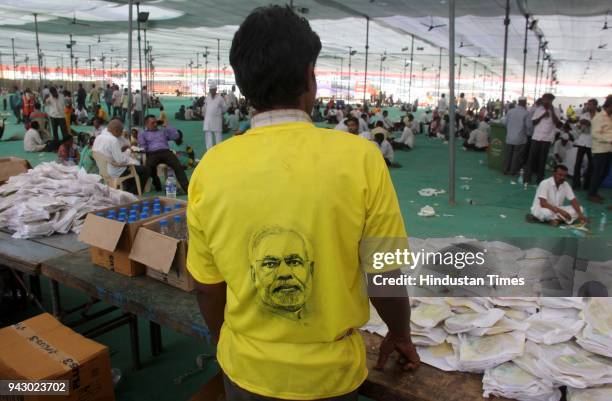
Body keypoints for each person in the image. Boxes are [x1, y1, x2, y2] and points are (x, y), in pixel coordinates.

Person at [187, 6, 418, 401]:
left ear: (243, 86)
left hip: (245, 370)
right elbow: (383, 277)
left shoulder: (210, 168)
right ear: (311, 77)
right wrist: (399, 333)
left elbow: (207, 288)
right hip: (330, 378)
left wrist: (226, 339)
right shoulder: (359, 159)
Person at [93, 119, 149, 195]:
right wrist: (128, 152)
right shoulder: (113, 140)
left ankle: (128, 189)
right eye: (121, 131)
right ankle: (133, 193)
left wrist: (121, 151)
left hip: (103, 170)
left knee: (134, 167)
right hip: (115, 171)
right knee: (144, 170)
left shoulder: (98, 137)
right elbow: (120, 160)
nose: (122, 133)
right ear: (116, 130)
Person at [138, 115, 189, 194]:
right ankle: (139, 190)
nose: (155, 124)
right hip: (152, 153)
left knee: (178, 166)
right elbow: (142, 147)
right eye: (152, 123)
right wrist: (142, 149)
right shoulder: (143, 134)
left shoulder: (163, 131)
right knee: (147, 169)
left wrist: (167, 126)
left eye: (156, 122)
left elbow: (176, 136)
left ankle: (187, 189)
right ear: (146, 124)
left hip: (165, 151)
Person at [523, 93, 560, 185]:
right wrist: (543, 115)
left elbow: (557, 123)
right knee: (531, 158)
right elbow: (534, 122)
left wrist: (552, 112)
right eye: (544, 100)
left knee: (542, 160)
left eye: (547, 100)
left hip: (547, 138)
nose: (545, 101)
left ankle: (540, 180)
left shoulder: (556, 110)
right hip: (536, 137)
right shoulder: (539, 109)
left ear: (551, 100)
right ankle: (527, 178)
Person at [588, 95, 612, 204]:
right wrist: (609, 140)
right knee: (598, 172)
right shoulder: (599, 117)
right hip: (599, 149)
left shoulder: (609, 117)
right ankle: (591, 194)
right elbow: (595, 134)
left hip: (608, 149)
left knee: (605, 171)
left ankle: (595, 191)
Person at [573, 98, 596, 190]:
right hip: (582, 141)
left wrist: (590, 124)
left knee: (591, 165)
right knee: (578, 163)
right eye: (588, 104)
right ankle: (576, 184)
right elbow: (578, 129)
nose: (588, 106)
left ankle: (587, 184)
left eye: (590, 104)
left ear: (595, 105)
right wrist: (580, 125)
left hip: (592, 142)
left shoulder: (598, 116)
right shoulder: (584, 115)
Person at [503, 97, 530, 175]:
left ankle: (505, 169)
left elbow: (505, 123)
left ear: (518, 102)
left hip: (509, 137)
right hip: (520, 138)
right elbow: (528, 126)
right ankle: (513, 171)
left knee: (508, 155)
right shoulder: (526, 113)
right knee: (516, 156)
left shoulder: (510, 111)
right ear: (524, 103)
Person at [202, 82, 227, 150]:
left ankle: (219, 150)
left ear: (216, 89)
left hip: (217, 119)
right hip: (208, 120)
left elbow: (224, 108)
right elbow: (204, 107)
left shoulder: (220, 98)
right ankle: (209, 151)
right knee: (208, 136)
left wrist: (219, 113)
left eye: (213, 89)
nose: (211, 91)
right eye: (210, 89)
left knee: (218, 136)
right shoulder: (207, 97)